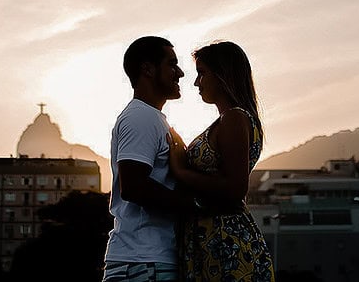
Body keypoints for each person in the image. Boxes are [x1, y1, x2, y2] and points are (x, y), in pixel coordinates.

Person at [167, 41, 275, 282]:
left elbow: (236, 188)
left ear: (222, 75)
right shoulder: (232, 120)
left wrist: (180, 170)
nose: (196, 83)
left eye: (202, 73)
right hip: (213, 241)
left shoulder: (234, 118)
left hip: (226, 245)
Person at [103, 35, 193, 282]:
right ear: (148, 69)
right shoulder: (141, 117)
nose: (181, 73)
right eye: (172, 64)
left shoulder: (151, 117)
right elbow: (134, 187)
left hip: (145, 261)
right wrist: (195, 206)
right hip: (143, 262)